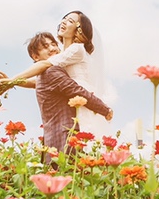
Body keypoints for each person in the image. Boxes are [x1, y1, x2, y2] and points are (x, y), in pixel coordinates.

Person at [0, 10, 112, 136]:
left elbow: (44, 64)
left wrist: (11, 80)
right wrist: (13, 83)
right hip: (74, 98)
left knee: (85, 136)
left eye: (70, 21)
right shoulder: (64, 53)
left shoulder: (76, 49)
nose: (64, 22)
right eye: (64, 19)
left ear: (79, 30)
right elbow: (37, 82)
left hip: (81, 97)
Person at [13, 32, 112, 161]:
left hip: (52, 142)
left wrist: (10, 82)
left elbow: (33, 84)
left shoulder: (41, 75)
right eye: (46, 46)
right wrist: (104, 109)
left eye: (54, 44)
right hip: (66, 140)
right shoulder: (52, 71)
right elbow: (78, 92)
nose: (52, 48)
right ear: (36, 56)